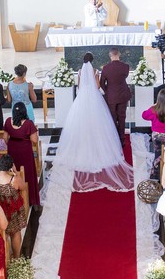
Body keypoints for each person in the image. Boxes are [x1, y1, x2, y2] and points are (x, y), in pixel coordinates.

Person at [51, 52, 134, 193]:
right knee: (100, 121)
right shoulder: (95, 71)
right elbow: (97, 86)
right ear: (92, 60)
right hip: (94, 98)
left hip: (82, 98)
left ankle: (84, 142)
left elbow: (79, 86)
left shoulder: (79, 71)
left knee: (82, 121)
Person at [0, 155, 28, 257]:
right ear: (10, 165)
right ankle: (16, 257)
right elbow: (23, 187)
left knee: (2, 233)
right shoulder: (14, 179)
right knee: (15, 233)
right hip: (12, 212)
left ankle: (4, 257)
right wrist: (16, 172)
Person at [4, 103, 40, 206]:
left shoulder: (8, 121)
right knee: (27, 173)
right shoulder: (28, 124)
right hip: (25, 151)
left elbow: (5, 138)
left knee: (14, 171)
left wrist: (12, 144)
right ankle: (30, 198)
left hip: (12, 150)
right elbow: (34, 140)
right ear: (25, 111)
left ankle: (15, 197)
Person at [98, 47, 132, 135]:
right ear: (119, 54)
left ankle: (114, 137)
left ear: (110, 55)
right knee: (122, 116)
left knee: (112, 116)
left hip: (111, 96)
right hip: (123, 94)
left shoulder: (106, 68)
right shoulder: (126, 66)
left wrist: (108, 91)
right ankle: (122, 138)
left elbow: (101, 83)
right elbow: (124, 77)